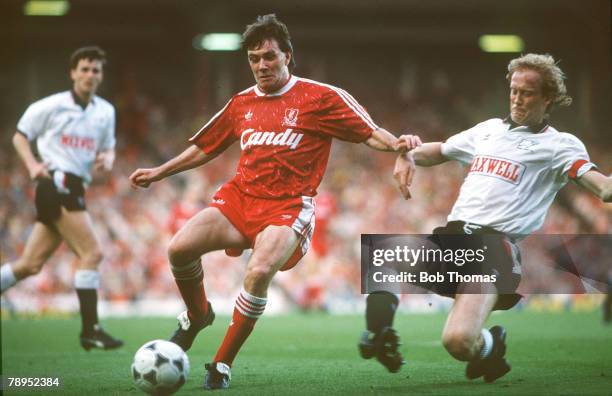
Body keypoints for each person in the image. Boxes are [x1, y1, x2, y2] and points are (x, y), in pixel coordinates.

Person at [129, 14, 419, 390]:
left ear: (287, 56)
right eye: (254, 59)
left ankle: (220, 365)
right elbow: (204, 147)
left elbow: (368, 132)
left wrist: (399, 145)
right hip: (240, 199)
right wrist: (158, 172)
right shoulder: (241, 103)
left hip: (288, 207)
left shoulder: (320, 97)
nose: (261, 65)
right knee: (179, 249)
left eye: (269, 56)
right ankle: (199, 315)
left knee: (258, 271)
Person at [361, 53, 612, 381]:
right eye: (513, 90)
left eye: (527, 92)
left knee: (457, 342)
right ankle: (381, 337)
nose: (517, 99)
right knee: (384, 254)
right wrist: (406, 150)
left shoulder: (559, 145)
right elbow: (439, 151)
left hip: (493, 250)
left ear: (548, 98)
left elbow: (603, 188)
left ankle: (490, 345)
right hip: (452, 239)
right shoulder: (489, 130)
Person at [0, 46, 123, 351]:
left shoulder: (105, 111)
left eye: (95, 70)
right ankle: (90, 329)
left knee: (30, 264)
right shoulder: (51, 106)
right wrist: (32, 166)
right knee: (92, 253)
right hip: (56, 181)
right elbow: (20, 135)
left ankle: (91, 329)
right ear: (72, 73)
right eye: (84, 69)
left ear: (101, 75)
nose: (90, 75)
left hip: (75, 185)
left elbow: (108, 148)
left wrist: (107, 159)